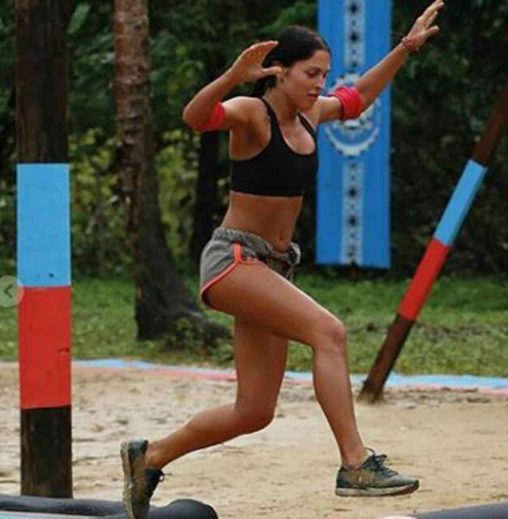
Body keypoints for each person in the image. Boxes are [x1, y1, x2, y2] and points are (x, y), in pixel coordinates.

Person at [120, 2, 443, 517]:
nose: (321, 84)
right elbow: (195, 117)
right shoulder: (252, 113)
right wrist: (233, 75)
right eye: (311, 73)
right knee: (329, 333)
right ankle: (356, 464)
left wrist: (405, 48)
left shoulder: (311, 115)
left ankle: (149, 457)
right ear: (280, 72)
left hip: (271, 268)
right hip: (234, 261)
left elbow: (357, 99)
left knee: (253, 411)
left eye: (325, 75)